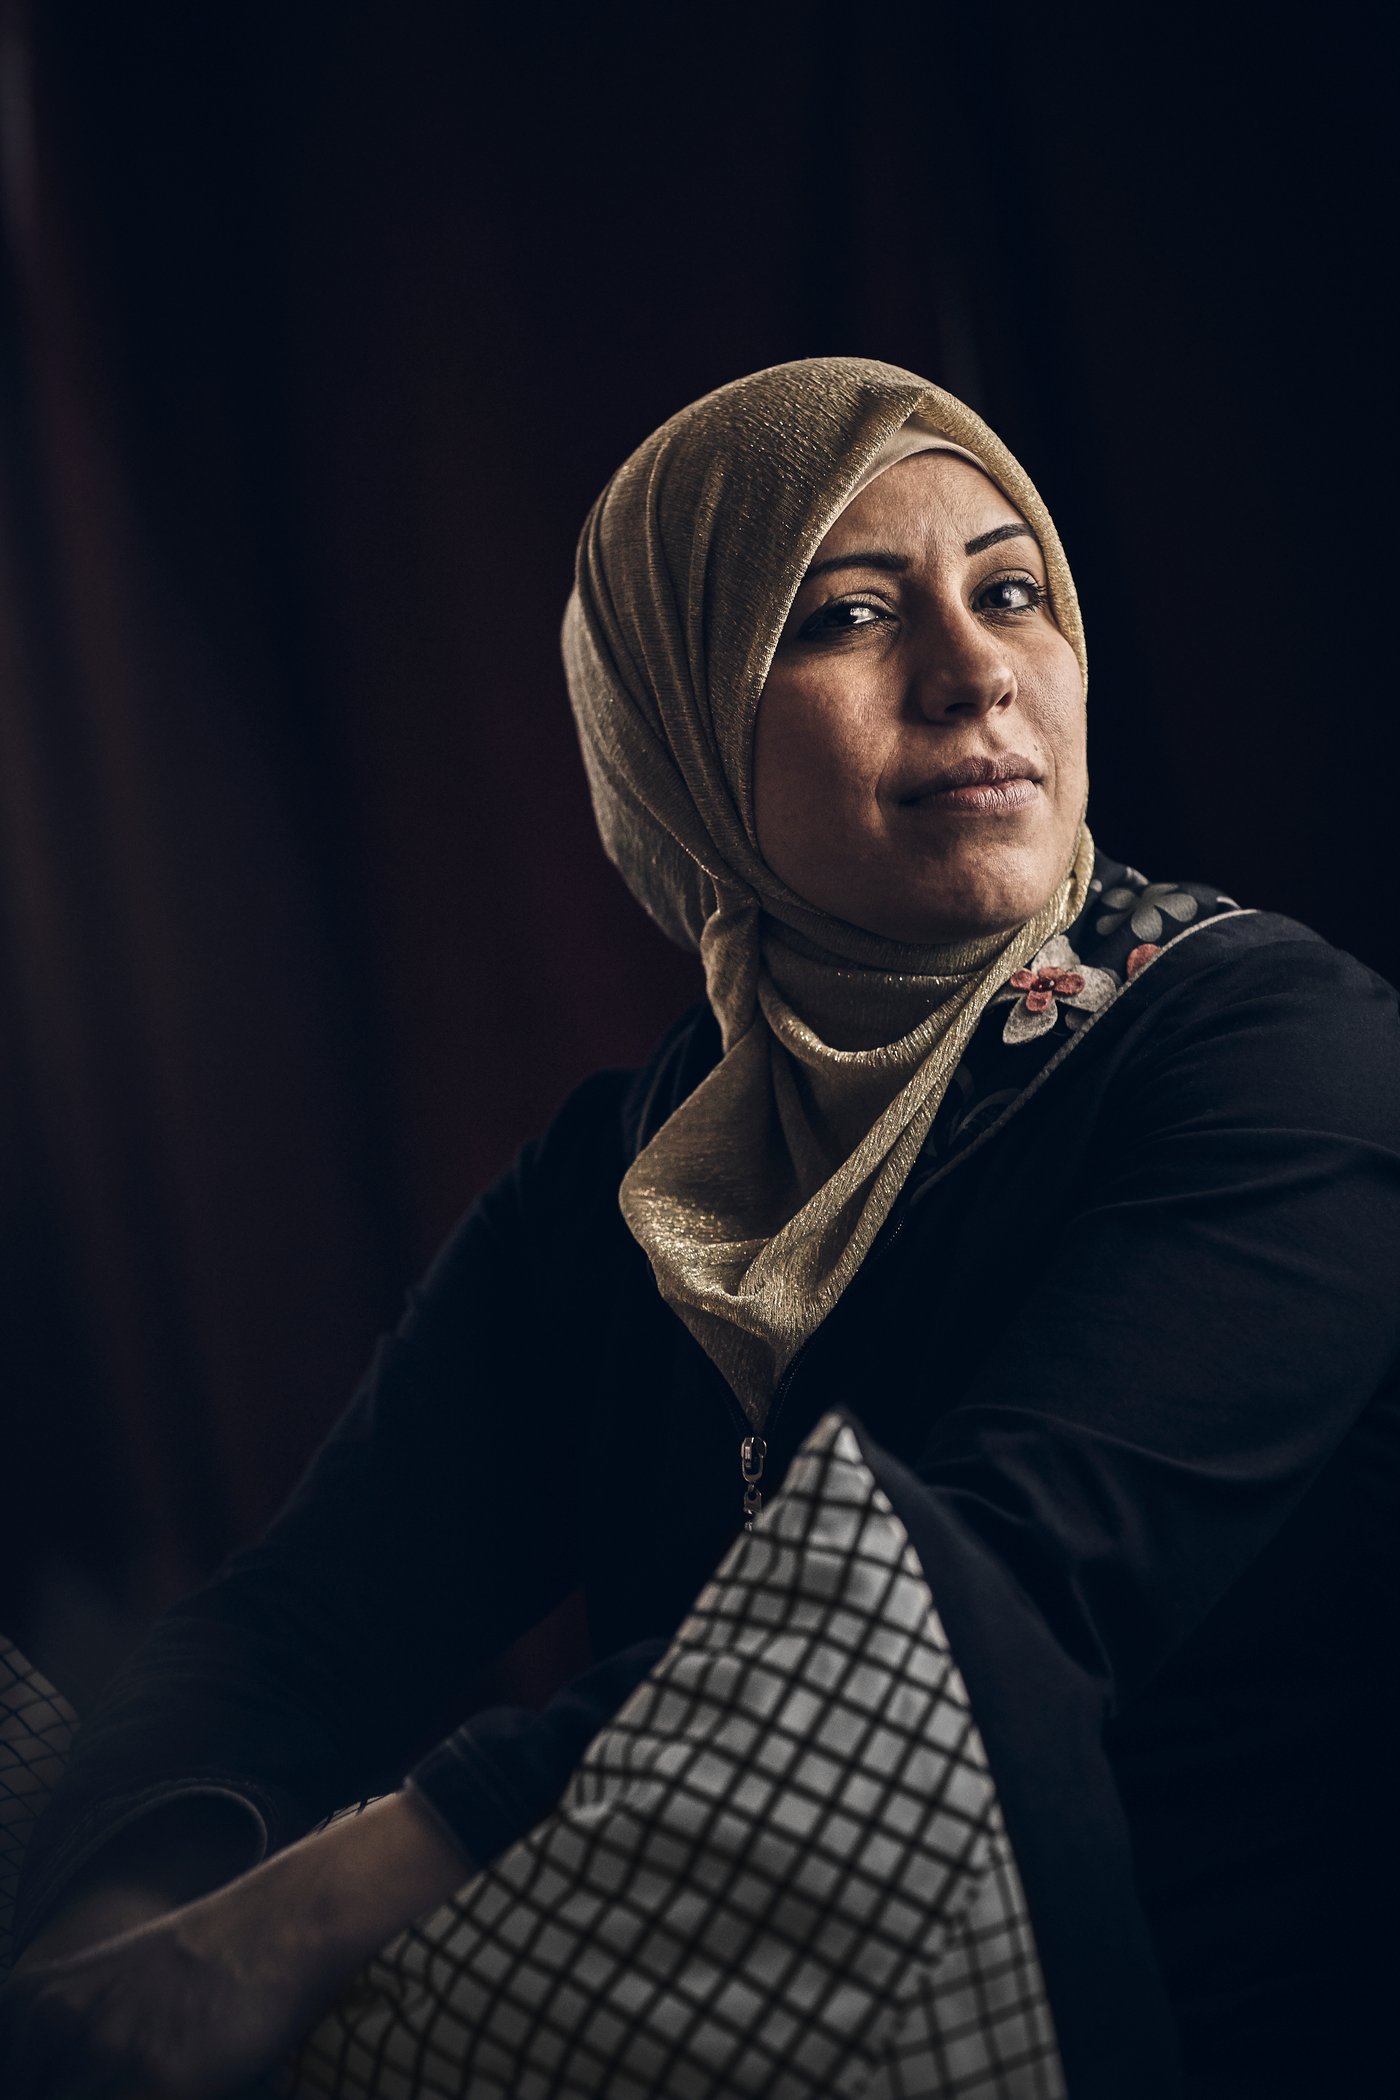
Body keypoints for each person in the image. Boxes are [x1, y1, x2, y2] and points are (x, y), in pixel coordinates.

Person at [2, 356, 1398, 2099]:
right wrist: (113, 1942)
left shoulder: (1274, 1052)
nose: (973, 674)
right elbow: (303, 1623)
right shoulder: (635, 1173)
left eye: (1013, 591)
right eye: (847, 615)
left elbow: (985, 1597)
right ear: (676, 719)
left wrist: (287, 1925)